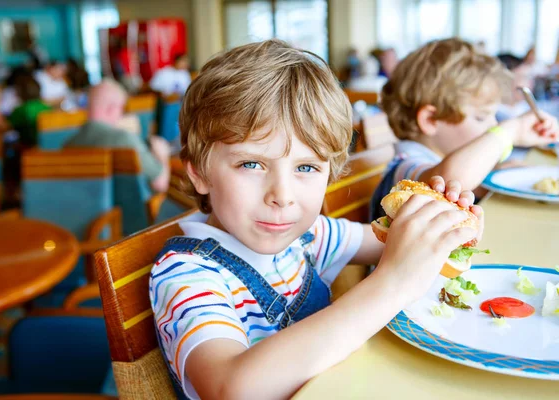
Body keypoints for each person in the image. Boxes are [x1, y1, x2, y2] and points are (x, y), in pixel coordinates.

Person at [149, 39, 482, 400]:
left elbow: (396, 243)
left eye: (306, 167)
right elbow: (232, 387)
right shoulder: (187, 274)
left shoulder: (309, 235)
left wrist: (443, 229)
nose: (282, 195)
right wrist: (392, 284)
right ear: (200, 173)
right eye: (251, 164)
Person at [370, 38, 558, 220]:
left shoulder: (436, 160)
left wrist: (495, 174)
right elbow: (449, 183)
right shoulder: (406, 167)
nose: (492, 125)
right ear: (430, 119)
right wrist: (509, 132)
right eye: (481, 117)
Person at [64, 79, 170, 192]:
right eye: (121, 109)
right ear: (112, 108)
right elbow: (160, 183)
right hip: (127, 208)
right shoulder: (124, 139)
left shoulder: (68, 144)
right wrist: (162, 154)